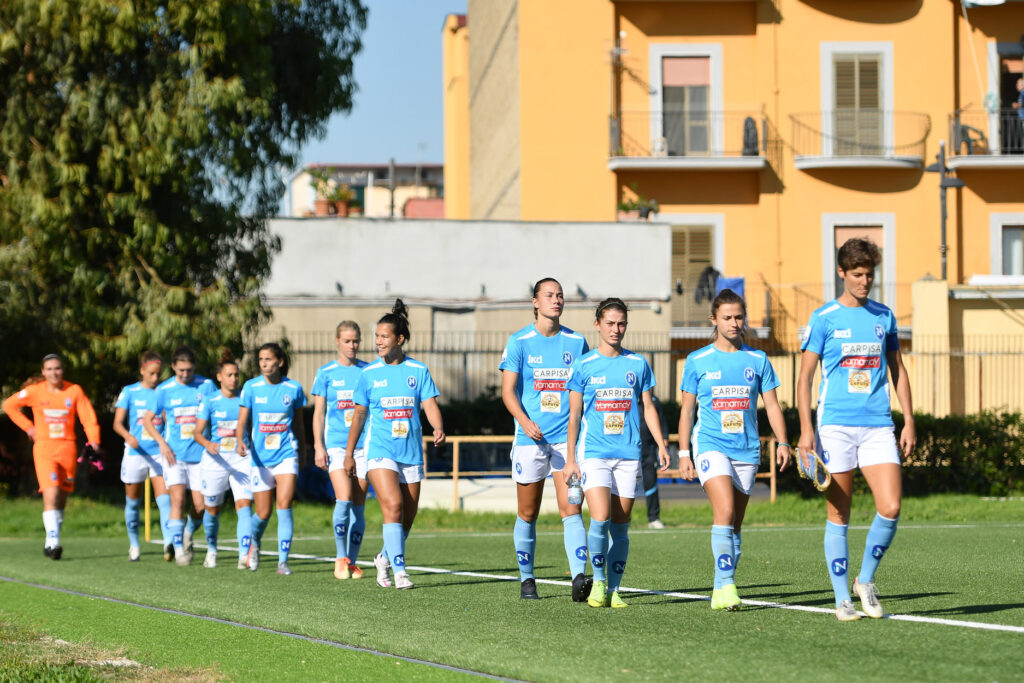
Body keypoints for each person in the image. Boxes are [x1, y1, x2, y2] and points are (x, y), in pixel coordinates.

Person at [797, 238, 915, 621]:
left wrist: (908, 419)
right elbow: (804, 378)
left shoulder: (884, 316)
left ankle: (864, 580)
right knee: (839, 513)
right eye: (858, 274)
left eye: (870, 275)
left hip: (878, 425)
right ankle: (841, 599)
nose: (865, 282)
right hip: (835, 428)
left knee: (891, 507)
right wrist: (805, 431)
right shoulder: (824, 317)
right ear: (842, 273)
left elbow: (897, 370)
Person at [678, 289, 791, 611]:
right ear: (713, 319)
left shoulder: (757, 360)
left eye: (739, 317)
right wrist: (684, 453)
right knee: (724, 511)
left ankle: (719, 586)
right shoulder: (697, 360)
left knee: (735, 525)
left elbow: (771, 405)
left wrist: (783, 442)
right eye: (726, 317)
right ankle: (728, 586)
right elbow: (686, 412)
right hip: (710, 444)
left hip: (747, 449)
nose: (733, 323)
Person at [562, 298, 672, 608]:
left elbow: (648, 407)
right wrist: (571, 458)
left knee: (621, 526)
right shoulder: (583, 365)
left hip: (628, 455)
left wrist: (662, 444)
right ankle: (597, 583)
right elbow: (573, 416)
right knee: (600, 518)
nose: (616, 329)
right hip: (594, 452)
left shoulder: (637, 364)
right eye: (610, 323)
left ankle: (615, 589)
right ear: (597, 325)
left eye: (621, 323)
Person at [499, 277, 592, 601]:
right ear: (535, 302)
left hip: (567, 444)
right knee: (528, 512)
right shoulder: (519, 342)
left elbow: (584, 391)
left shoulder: (577, 342)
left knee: (572, 508)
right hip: (530, 442)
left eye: (560, 295)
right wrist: (524, 422)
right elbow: (507, 392)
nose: (556, 300)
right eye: (549, 295)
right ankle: (527, 580)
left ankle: (579, 578)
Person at [345, 299, 445, 590]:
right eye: (376, 336)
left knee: (408, 515)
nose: (378, 341)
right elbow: (359, 416)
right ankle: (400, 571)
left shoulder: (419, 371)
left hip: (410, 452)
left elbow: (429, 404)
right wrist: (350, 454)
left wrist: (438, 426)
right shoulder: (369, 374)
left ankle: (384, 558)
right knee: (393, 505)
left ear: (400, 339)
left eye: (384, 336)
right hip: (379, 451)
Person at [3, 354, 102, 559]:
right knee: (51, 492)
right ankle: (53, 542)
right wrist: (29, 428)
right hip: (44, 449)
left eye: (57, 368)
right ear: (43, 372)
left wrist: (94, 441)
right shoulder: (34, 391)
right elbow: (9, 406)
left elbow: (88, 417)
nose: (53, 373)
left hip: (67, 448)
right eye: (49, 369)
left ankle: (53, 535)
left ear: (62, 370)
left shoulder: (74, 391)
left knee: (62, 497)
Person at [236, 343, 307, 576]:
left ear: (280, 362)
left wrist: (304, 452)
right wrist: (240, 440)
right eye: (261, 359)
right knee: (263, 512)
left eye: (268, 359)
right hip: (259, 458)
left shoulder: (294, 388)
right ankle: (254, 541)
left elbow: (298, 425)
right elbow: (242, 422)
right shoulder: (251, 387)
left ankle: (282, 562)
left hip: (287, 454)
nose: (264, 363)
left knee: (284, 505)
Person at [143, 346, 217, 566]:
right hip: (174, 456)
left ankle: (187, 533)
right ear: (173, 367)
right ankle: (178, 549)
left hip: (201, 456)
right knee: (177, 500)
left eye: (189, 370)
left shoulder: (207, 386)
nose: (185, 374)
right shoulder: (164, 389)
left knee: (201, 506)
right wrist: (162, 444)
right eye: (181, 370)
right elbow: (148, 420)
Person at [312, 321, 369, 580]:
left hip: (362, 446)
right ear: (337, 341)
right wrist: (318, 446)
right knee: (343, 498)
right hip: (335, 445)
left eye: (355, 340)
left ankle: (352, 561)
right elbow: (319, 414)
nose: (352, 345)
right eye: (347, 341)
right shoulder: (325, 373)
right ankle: (339, 557)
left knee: (359, 507)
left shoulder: (368, 371)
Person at [193, 350, 252, 569]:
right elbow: (197, 432)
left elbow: (253, 428)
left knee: (244, 505)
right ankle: (212, 549)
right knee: (212, 510)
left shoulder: (246, 399)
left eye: (236, 375)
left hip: (241, 459)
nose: (234, 379)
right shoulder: (210, 401)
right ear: (219, 377)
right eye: (229, 375)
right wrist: (208, 444)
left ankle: (244, 555)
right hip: (215, 460)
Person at [113, 351, 169, 561]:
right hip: (135, 453)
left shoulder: (164, 392)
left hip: (158, 453)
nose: (156, 378)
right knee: (133, 502)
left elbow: (167, 419)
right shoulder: (129, 392)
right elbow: (117, 423)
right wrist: (128, 436)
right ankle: (134, 545)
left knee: (165, 500)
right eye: (152, 373)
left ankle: (169, 544)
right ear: (142, 371)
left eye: (158, 374)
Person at [639, 394, 669, 529]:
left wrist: (663, 442)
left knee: (651, 482)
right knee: (622, 487)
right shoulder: (626, 396)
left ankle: (653, 518)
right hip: (628, 449)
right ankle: (621, 518)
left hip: (649, 449)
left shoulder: (654, 400)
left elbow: (662, 422)